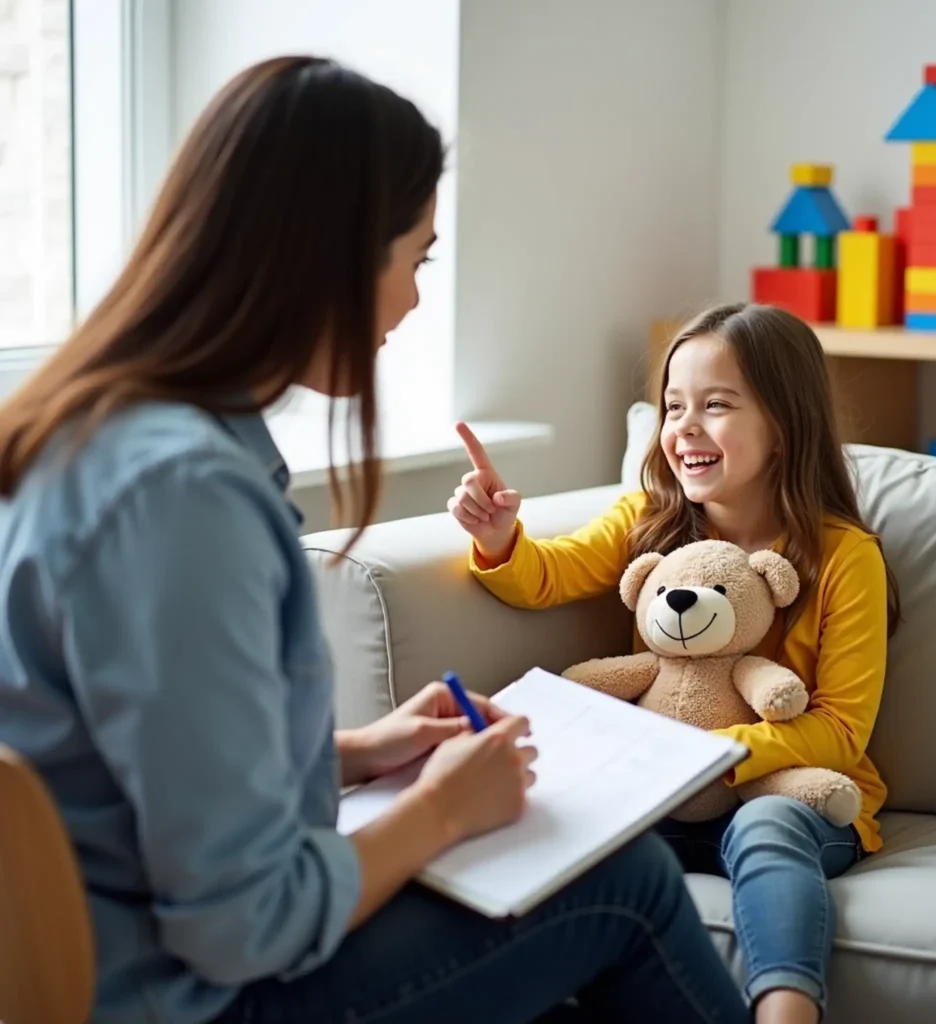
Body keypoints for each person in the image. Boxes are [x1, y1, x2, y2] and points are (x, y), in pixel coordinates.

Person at [0, 57, 749, 1024]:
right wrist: (437, 812)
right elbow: (245, 921)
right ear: (333, 254)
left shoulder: (98, 431)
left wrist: (356, 753)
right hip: (174, 996)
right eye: (418, 258)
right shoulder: (183, 499)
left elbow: (145, 769)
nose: (413, 301)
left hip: (127, 950)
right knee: (629, 884)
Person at [449, 301, 900, 1024]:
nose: (684, 426)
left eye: (716, 405)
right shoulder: (647, 520)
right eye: (673, 406)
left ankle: (787, 1014)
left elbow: (842, 729)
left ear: (783, 427)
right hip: (661, 794)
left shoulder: (845, 556)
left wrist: (709, 755)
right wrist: (502, 536)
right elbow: (546, 576)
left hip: (794, 789)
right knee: (561, 827)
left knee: (767, 829)